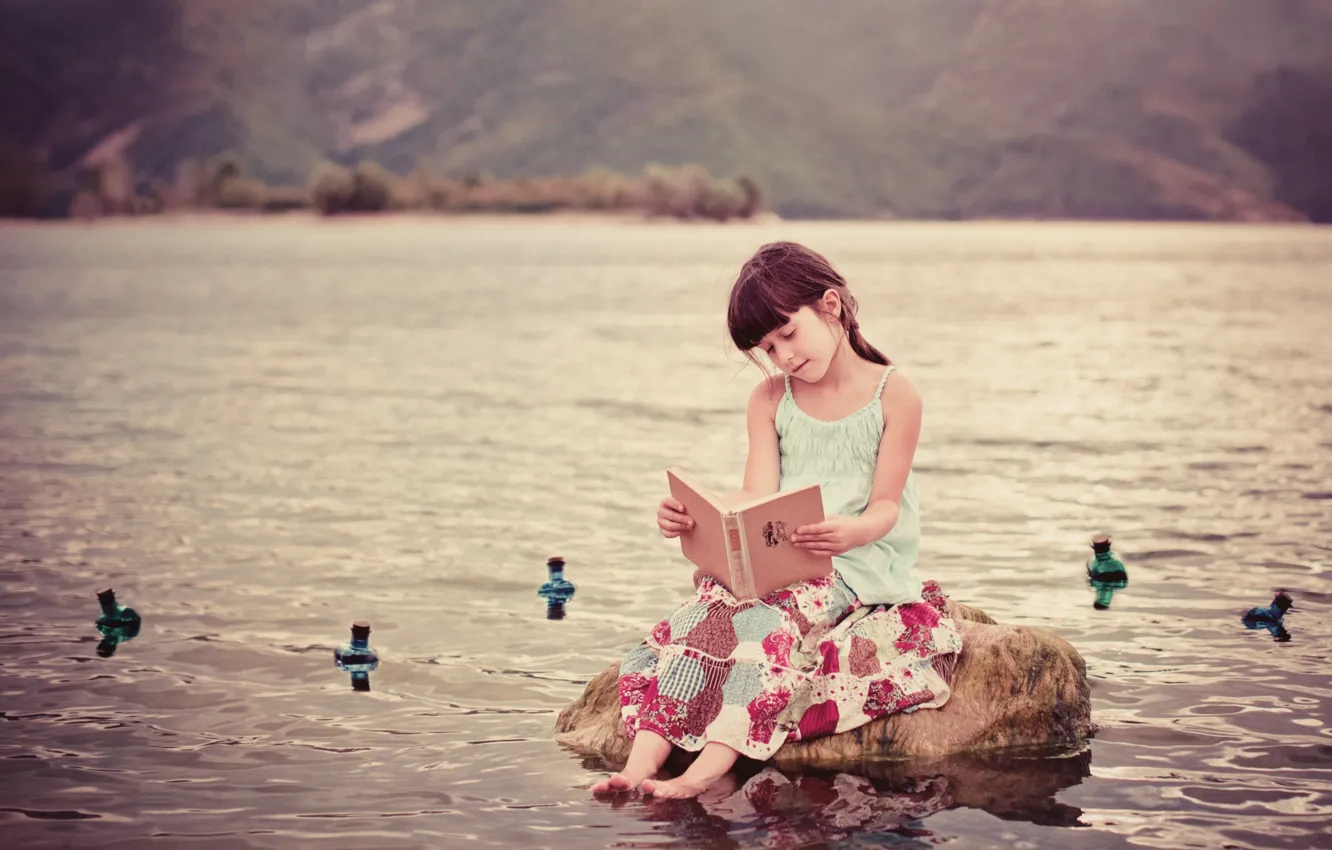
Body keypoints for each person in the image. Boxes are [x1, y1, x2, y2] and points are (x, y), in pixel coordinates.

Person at [592, 241, 963, 799]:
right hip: (779, 558)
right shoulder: (770, 398)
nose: (782, 356)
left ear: (831, 306)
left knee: (767, 628)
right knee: (700, 619)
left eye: (788, 334)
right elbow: (755, 495)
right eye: (767, 348)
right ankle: (640, 764)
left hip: (853, 563)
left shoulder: (894, 395)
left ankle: (708, 768)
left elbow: (886, 507)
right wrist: (694, 517)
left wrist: (851, 532)